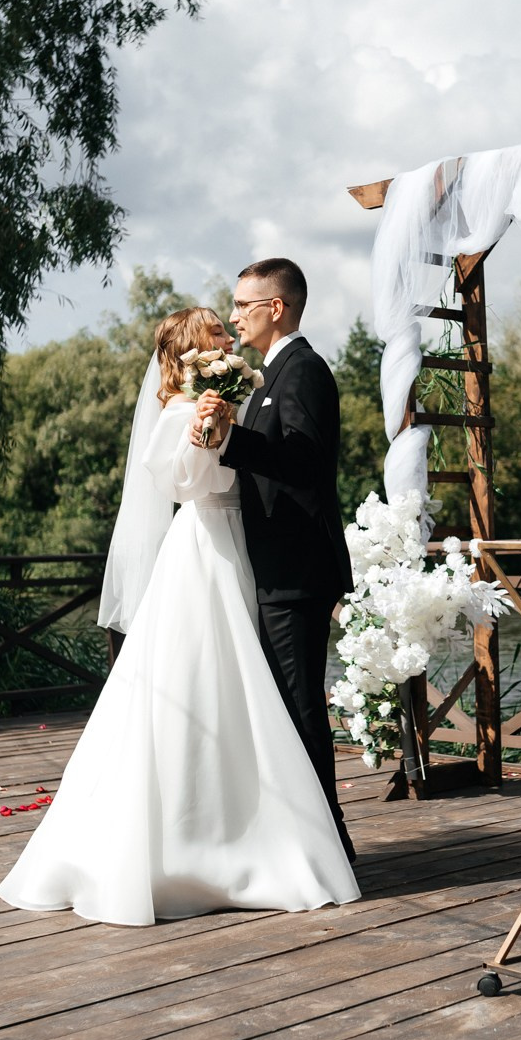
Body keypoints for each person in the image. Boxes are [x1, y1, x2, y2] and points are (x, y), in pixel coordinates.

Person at [0, 306, 358, 924]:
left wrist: (225, 422)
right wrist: (202, 434)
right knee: (202, 680)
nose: (227, 334)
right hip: (203, 547)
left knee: (249, 692)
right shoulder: (177, 409)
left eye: (228, 325)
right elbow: (179, 484)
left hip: (247, 546)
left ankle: (256, 829)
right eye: (216, 330)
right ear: (192, 350)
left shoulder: (239, 395)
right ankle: (188, 846)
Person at [196, 257, 359, 861]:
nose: (234, 315)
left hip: (296, 570)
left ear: (276, 308)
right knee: (284, 703)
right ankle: (299, 835)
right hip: (275, 568)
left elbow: (306, 462)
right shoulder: (269, 373)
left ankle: (327, 843)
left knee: (300, 702)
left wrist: (231, 441)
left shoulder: (303, 370)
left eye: (242, 304)